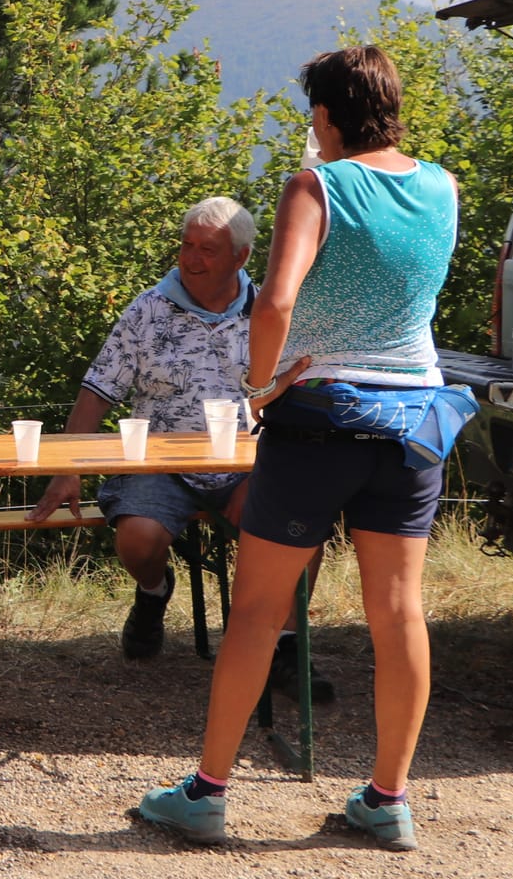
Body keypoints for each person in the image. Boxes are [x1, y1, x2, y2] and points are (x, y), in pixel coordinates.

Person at [139, 45, 459, 851]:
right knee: (397, 610)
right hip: (416, 419)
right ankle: (387, 800)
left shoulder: (317, 185)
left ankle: (207, 793)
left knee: (256, 609)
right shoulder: (442, 187)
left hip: (318, 419)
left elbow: (275, 301)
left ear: (325, 115)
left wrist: (257, 388)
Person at [28, 197, 331, 700]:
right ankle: (153, 592)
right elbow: (98, 389)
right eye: (187, 245)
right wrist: (68, 467)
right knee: (139, 539)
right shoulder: (149, 309)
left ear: (241, 256)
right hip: (158, 464)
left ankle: (285, 648)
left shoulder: (271, 312)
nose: (191, 258)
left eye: (207, 250)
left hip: (247, 463)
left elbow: (297, 392)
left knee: (298, 526)